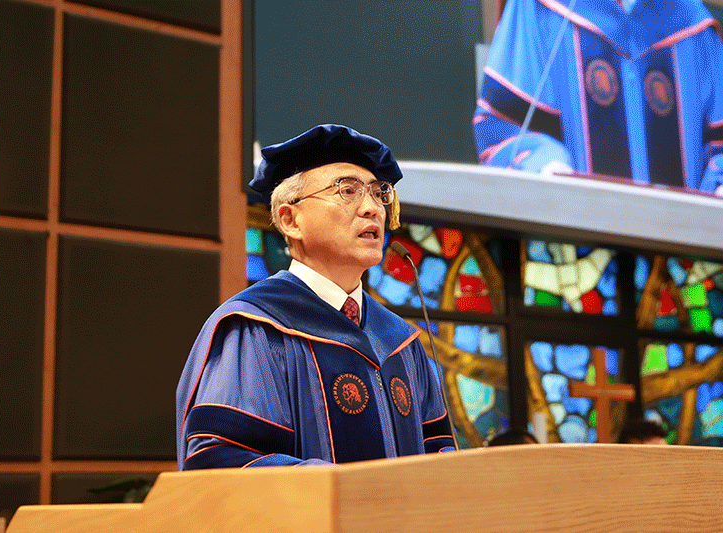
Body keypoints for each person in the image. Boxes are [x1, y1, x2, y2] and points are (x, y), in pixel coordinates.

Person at [176, 124, 455, 469]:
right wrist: (345, 488)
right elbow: (222, 461)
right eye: (348, 190)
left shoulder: (400, 341)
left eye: (378, 193)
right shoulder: (258, 328)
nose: (372, 208)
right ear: (291, 220)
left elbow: (439, 451)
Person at [473, 0, 723, 195]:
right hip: (574, 236)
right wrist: (546, 165)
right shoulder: (541, 9)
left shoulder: (694, 26)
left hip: (678, 242)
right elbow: (504, 125)